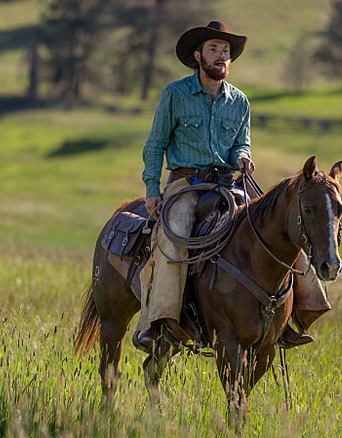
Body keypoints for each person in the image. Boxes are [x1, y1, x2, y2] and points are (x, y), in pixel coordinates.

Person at [136, 21, 320, 349]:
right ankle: (160, 323)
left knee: (285, 224)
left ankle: (294, 316)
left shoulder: (240, 102)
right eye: (213, 49)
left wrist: (243, 157)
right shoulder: (175, 94)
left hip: (227, 184)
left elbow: (241, 144)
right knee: (173, 239)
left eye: (226, 51)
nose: (221, 56)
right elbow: (155, 145)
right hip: (186, 185)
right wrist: (152, 190)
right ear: (197, 56)